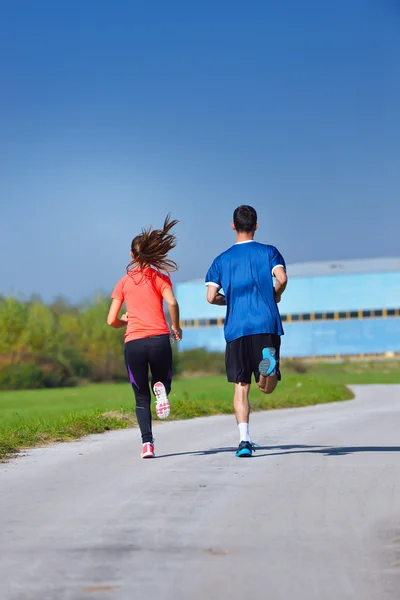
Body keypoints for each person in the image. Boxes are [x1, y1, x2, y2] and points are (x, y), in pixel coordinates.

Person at [205, 205, 287, 457]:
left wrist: (231, 300)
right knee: (267, 387)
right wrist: (274, 295)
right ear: (256, 225)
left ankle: (244, 441)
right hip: (266, 323)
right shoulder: (269, 252)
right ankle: (269, 367)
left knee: (242, 386)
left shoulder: (221, 260)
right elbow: (281, 279)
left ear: (233, 226)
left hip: (237, 328)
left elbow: (210, 297)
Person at [107, 215, 182, 459]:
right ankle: (161, 389)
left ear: (132, 255)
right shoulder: (160, 277)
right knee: (163, 382)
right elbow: (172, 301)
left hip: (134, 344)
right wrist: (176, 326)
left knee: (141, 397)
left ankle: (147, 445)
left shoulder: (123, 282)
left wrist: (125, 321)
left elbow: (111, 320)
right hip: (159, 339)